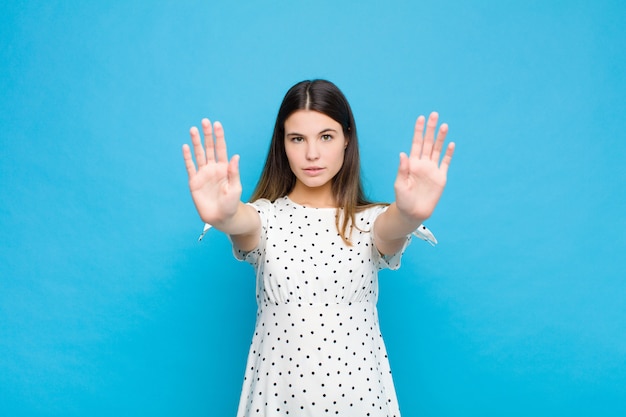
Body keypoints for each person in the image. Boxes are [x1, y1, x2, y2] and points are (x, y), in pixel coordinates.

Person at [182, 79, 455, 417]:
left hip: (360, 402)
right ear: (282, 144)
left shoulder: (370, 223)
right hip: (278, 402)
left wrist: (409, 214)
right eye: (297, 139)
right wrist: (225, 215)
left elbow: (392, 228)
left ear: (346, 140)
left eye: (326, 136)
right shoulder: (266, 220)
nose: (312, 153)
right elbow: (243, 223)